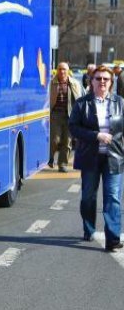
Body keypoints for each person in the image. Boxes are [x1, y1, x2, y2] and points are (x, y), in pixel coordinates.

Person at [68, 65, 124, 252]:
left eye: (105, 79)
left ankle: (113, 239)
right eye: (98, 78)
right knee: (88, 198)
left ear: (111, 82)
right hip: (90, 158)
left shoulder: (120, 103)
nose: (102, 82)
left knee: (113, 198)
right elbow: (73, 127)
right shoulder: (82, 103)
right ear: (91, 81)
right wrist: (96, 135)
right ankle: (89, 228)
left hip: (114, 157)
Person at [48, 62, 83, 171]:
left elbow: (80, 100)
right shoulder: (51, 83)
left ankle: (62, 164)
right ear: (57, 70)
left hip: (70, 115)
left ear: (68, 71)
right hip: (55, 115)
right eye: (60, 69)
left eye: (64, 69)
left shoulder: (74, 83)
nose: (62, 71)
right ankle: (50, 158)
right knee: (55, 139)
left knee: (67, 141)